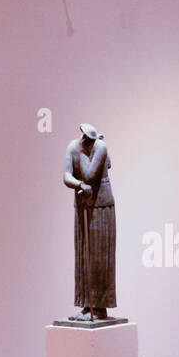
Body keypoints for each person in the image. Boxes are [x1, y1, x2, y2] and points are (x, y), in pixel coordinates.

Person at [62, 123, 117, 321]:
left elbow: (90, 175)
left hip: (101, 205)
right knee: (84, 255)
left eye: (91, 140)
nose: (88, 142)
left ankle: (99, 307)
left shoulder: (100, 147)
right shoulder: (73, 147)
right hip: (83, 205)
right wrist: (78, 185)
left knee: (99, 257)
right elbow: (67, 176)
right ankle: (87, 305)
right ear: (83, 136)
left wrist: (99, 147)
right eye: (86, 139)